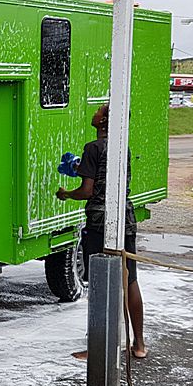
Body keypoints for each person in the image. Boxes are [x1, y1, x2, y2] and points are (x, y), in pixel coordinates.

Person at [56, 104, 147, 359]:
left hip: (99, 222)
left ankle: (97, 349)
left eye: (98, 111)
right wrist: (81, 168)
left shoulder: (93, 148)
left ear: (105, 120)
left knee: (99, 282)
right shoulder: (121, 147)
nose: (94, 114)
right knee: (129, 280)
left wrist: (66, 194)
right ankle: (139, 344)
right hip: (125, 218)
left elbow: (87, 191)